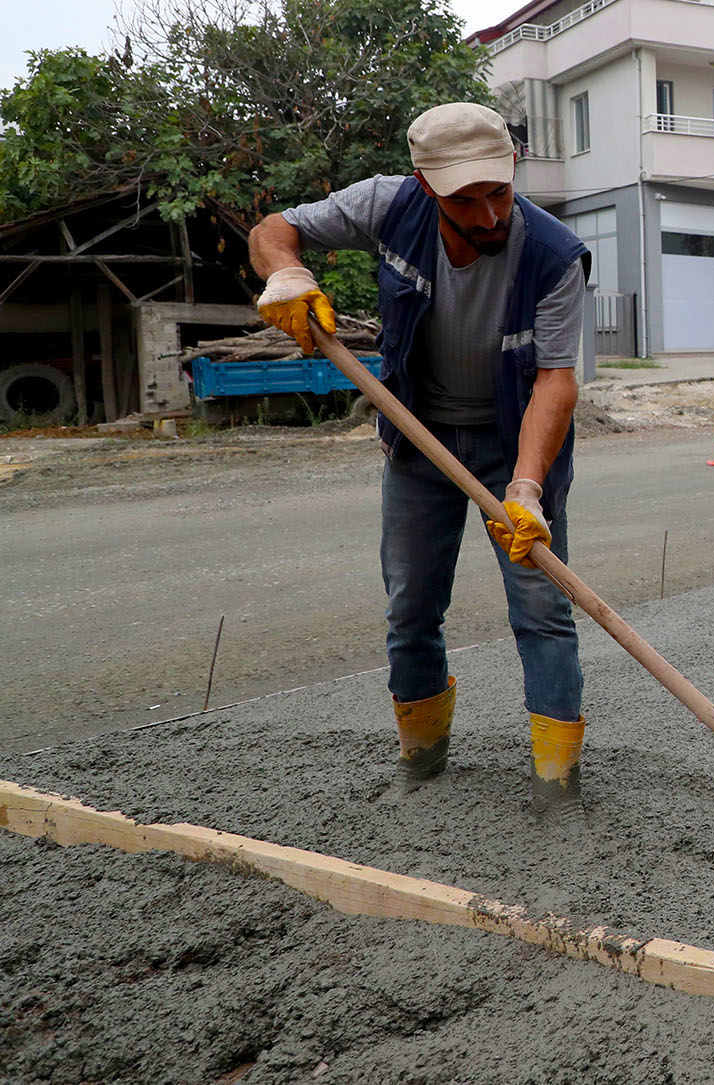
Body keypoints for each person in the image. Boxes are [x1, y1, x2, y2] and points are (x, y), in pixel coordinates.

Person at [247, 102, 592, 813]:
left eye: (499, 191)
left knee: (542, 607)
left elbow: (556, 379)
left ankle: (557, 784)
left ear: (514, 169)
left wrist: (526, 486)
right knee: (410, 606)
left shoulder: (555, 255)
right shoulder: (389, 205)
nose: (490, 215)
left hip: (511, 446)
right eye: (466, 200)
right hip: (418, 437)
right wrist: (285, 274)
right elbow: (272, 230)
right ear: (425, 184)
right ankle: (422, 760)